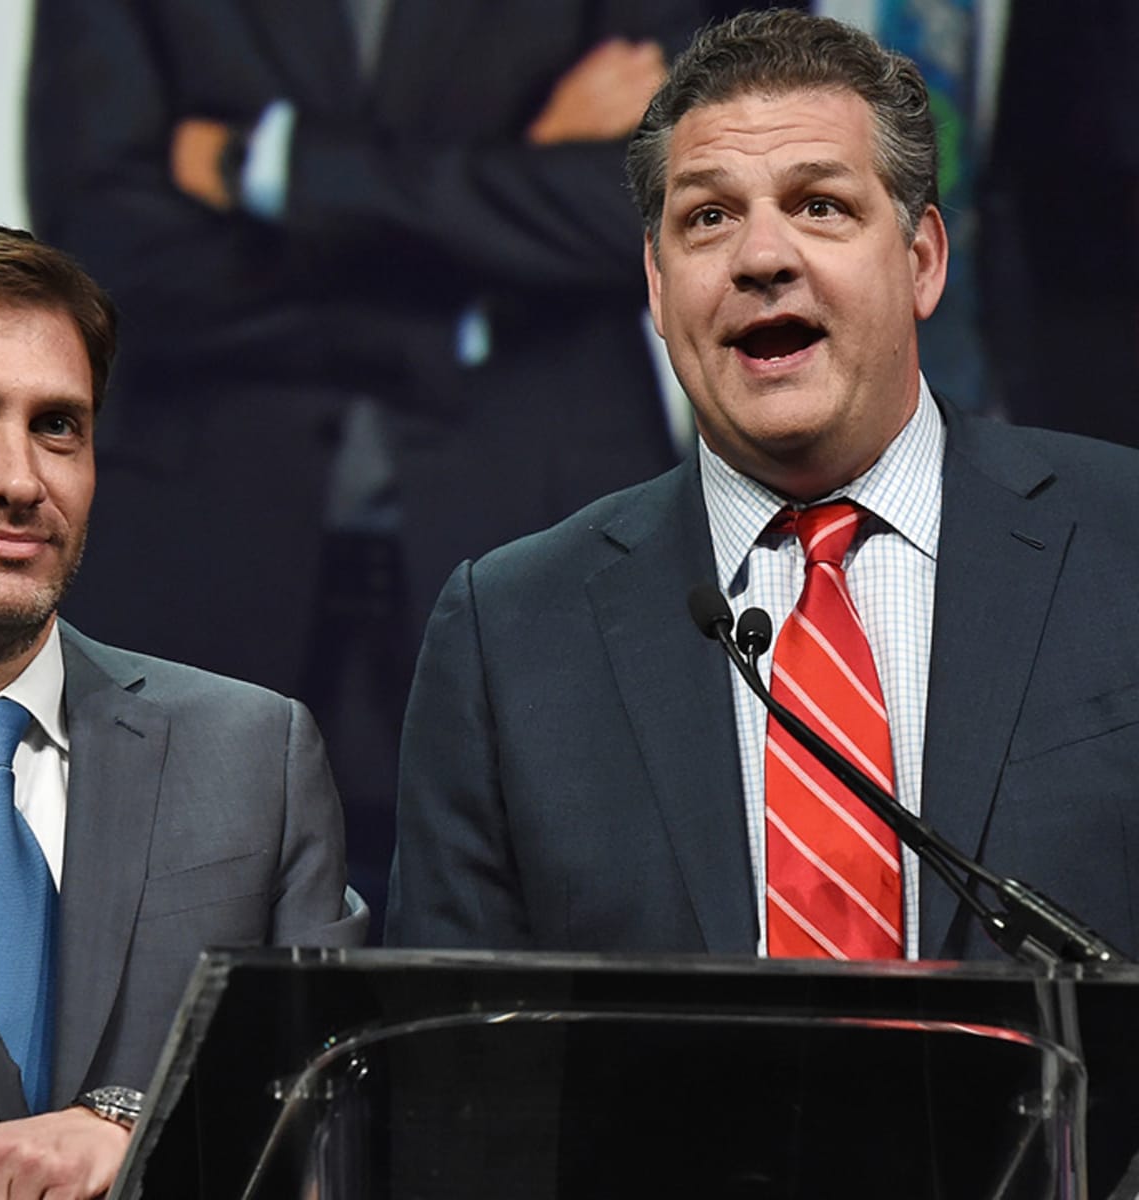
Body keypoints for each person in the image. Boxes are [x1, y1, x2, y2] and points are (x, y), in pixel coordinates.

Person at [385, 10, 1139, 963]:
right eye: (709, 218)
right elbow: (453, 1068)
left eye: (820, 205)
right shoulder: (509, 632)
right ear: (659, 290)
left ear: (922, 261)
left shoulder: (1123, 541)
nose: (762, 258)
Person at [25, 0, 706, 927]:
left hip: (540, 520)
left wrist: (276, 168)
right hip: (205, 542)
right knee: (175, 1009)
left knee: (536, 1019)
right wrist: (481, 232)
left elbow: (651, 208)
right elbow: (103, 244)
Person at [0, 214, 364, 1198]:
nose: (18, 480)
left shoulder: (254, 755)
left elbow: (342, 1110)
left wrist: (133, 1124)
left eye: (57, 426)